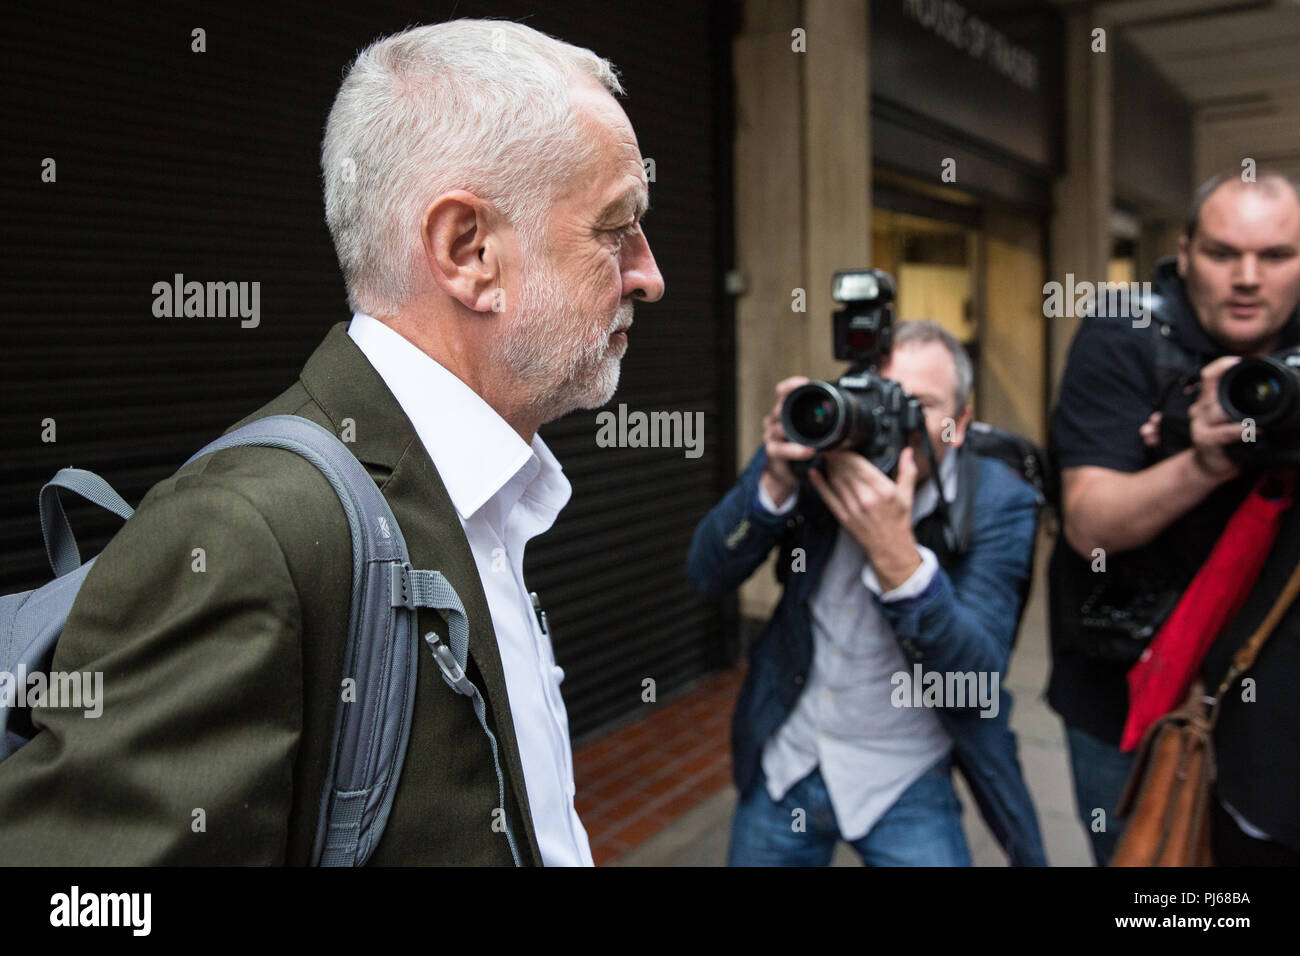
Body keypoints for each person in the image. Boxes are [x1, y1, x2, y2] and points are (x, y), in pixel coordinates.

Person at [0, 19, 663, 865]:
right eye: (616, 227)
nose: (650, 273)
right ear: (468, 252)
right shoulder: (247, 533)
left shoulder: (485, 489)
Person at [687, 320, 1047, 866]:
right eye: (875, 398)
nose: (890, 424)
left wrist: (897, 557)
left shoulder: (999, 500)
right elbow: (706, 573)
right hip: (792, 756)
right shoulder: (817, 453)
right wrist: (775, 484)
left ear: (961, 423)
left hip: (905, 775)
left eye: (916, 404)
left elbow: (976, 681)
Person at [1047, 170, 1300, 866]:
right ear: (1183, 253)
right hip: (1129, 691)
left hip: (1268, 693)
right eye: (1222, 253)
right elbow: (1089, 526)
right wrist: (1205, 460)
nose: (1248, 278)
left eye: (1277, 256)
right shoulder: (1125, 333)